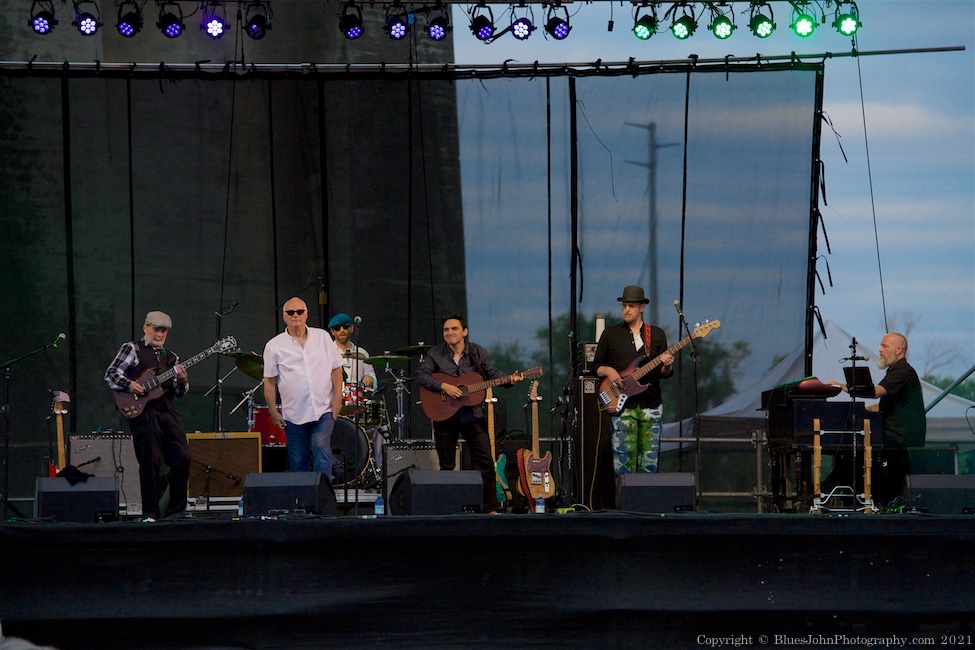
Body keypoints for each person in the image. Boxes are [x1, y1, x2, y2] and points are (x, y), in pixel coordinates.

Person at [415, 313, 523, 513]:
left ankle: (490, 508)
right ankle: (447, 509)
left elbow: (491, 374)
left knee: (486, 462)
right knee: (446, 465)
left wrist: (510, 379)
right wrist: (444, 386)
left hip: (472, 415)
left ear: (464, 332)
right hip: (444, 415)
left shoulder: (476, 352)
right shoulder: (435, 354)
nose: (449, 333)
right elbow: (420, 375)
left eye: (454, 329)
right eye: (446, 329)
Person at [104, 311, 189, 522]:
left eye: (163, 331)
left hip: (167, 411)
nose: (159, 334)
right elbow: (111, 374)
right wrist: (131, 384)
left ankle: (176, 511)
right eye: (155, 329)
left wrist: (183, 380)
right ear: (145, 327)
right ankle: (150, 512)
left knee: (182, 458)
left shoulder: (172, 357)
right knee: (150, 461)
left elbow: (178, 393)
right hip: (145, 413)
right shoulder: (133, 348)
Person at [827, 332, 926, 505]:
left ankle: (827, 491)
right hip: (893, 436)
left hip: (900, 439)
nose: (880, 350)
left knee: (855, 453)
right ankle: (844, 495)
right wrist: (856, 411)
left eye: (884, 346)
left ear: (898, 349)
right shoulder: (894, 371)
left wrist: (843, 387)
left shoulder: (903, 371)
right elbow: (881, 406)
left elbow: (875, 392)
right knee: (853, 451)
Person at [593, 285, 674, 476]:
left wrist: (667, 365)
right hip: (622, 406)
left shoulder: (656, 334)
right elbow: (595, 366)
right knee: (622, 461)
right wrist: (609, 371)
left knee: (649, 460)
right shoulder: (611, 334)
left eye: (631, 306)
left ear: (642, 308)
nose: (626, 310)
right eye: (624, 306)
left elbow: (665, 373)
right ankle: (622, 505)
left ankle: (645, 504)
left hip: (651, 405)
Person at [263, 297, 344, 480]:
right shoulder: (274, 346)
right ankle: (302, 504)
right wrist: (273, 411)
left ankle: (324, 497)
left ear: (306, 314)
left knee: (320, 444)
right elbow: (269, 381)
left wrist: (337, 397)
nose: (295, 316)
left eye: (299, 312)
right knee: (298, 461)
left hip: (323, 408)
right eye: (290, 313)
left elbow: (336, 369)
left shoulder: (322, 337)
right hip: (293, 414)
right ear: (284, 316)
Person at [327, 312, 377, 396]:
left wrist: (370, 379)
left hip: (356, 401)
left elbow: (371, 375)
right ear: (332, 331)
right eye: (337, 328)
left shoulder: (362, 353)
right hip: (332, 400)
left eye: (345, 327)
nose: (342, 330)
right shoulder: (326, 352)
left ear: (352, 328)